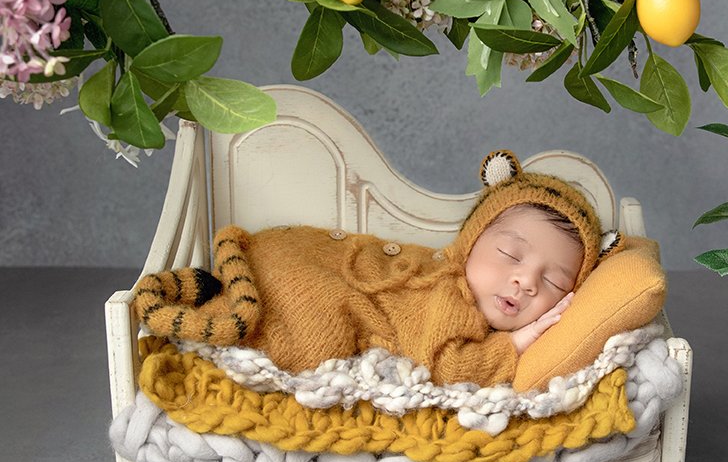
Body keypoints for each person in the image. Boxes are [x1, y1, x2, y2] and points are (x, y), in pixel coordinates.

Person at [133, 150, 624, 387]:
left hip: (278, 252)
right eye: (512, 255)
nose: (526, 281)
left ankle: (217, 292)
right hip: (296, 269)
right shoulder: (452, 297)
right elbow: (447, 369)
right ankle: (225, 308)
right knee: (312, 337)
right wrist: (515, 344)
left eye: (553, 281)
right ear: (472, 241)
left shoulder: (467, 294)